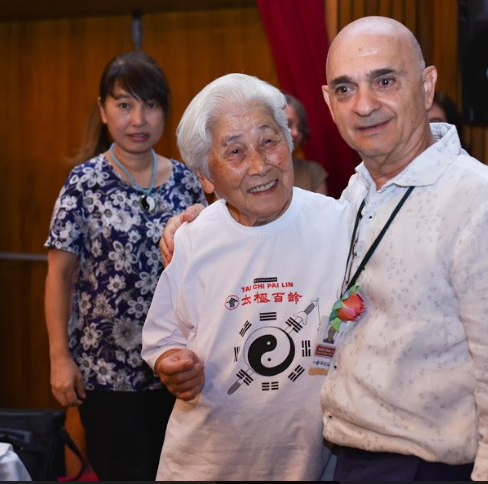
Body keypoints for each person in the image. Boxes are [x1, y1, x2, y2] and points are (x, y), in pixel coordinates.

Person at [160, 16, 488, 481]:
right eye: (346, 89)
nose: (365, 105)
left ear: (427, 87)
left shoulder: (482, 206)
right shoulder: (355, 198)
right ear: (329, 104)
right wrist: (198, 226)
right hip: (348, 460)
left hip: (430, 468)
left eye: (385, 81)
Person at [140, 73, 349, 481]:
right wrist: (171, 362)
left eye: (269, 141)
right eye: (235, 152)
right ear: (205, 175)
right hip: (207, 463)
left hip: (312, 462)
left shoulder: (339, 223)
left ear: (289, 143)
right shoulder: (193, 240)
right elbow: (163, 335)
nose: (259, 165)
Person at [43, 50, 207, 481]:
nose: (139, 119)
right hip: (106, 371)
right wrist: (60, 358)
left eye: (151, 105)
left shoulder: (187, 181)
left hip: (178, 368)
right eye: (124, 104)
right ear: (103, 110)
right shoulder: (83, 182)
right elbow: (58, 275)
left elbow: (208, 271)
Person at [283, 92, 329, 194]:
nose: (295, 133)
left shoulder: (312, 172)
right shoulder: (254, 173)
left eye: (300, 128)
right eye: (288, 124)